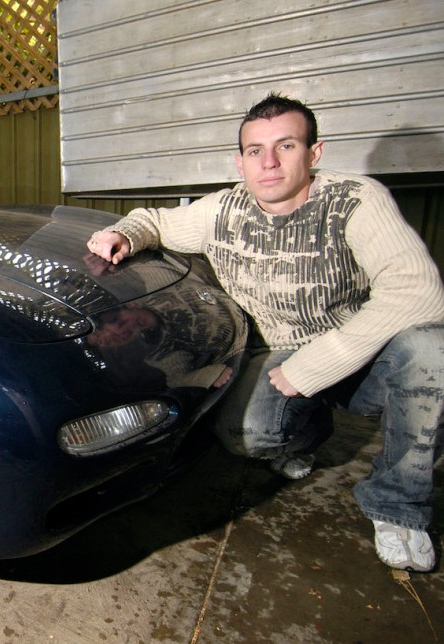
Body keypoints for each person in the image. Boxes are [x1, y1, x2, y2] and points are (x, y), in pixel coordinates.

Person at [86, 93, 444, 573]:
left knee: (433, 351)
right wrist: (126, 234)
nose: (269, 162)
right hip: (280, 353)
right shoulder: (223, 210)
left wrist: (318, 365)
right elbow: (154, 221)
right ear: (241, 162)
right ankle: (309, 430)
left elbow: (420, 291)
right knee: (246, 436)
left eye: (286, 146)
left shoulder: (356, 200)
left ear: (314, 153)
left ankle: (398, 504)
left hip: (364, 349)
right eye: (255, 150)